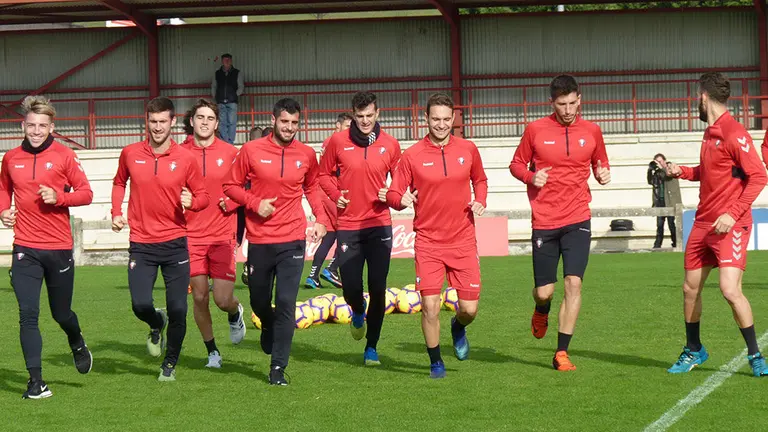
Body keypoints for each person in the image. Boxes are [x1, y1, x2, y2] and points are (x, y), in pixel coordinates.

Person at [666, 72, 768, 376]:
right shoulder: (710, 133)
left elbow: (759, 176)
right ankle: (694, 350)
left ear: (703, 97)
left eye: (697, 97)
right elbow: (711, 171)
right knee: (689, 289)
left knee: (729, 290)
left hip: (730, 225)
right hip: (703, 223)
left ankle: (755, 355)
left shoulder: (734, 132)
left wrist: (732, 213)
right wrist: (681, 171)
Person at [223, 98, 329, 385]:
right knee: (259, 302)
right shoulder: (251, 150)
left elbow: (312, 187)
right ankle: (267, 324)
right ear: (274, 120)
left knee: (285, 303)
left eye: (295, 123)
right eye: (285, 122)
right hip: (260, 241)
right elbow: (230, 186)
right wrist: (255, 203)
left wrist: (320, 218)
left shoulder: (306, 154)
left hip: (293, 240)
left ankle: (278, 369)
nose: (290, 128)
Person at [509, 75, 611, 371]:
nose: (568, 110)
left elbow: (600, 163)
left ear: (580, 99)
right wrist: (531, 176)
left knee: (573, 284)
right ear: (551, 103)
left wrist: (603, 174)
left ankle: (561, 352)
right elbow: (516, 163)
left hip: (578, 217)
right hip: (545, 220)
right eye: (561, 104)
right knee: (545, 291)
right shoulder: (535, 130)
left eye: (572, 103)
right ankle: (541, 309)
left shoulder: (592, 131)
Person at [385, 93, 488, 378]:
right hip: (428, 241)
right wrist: (400, 200)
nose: (441, 125)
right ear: (426, 119)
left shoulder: (468, 148)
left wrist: (481, 199)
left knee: (469, 309)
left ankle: (458, 327)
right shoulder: (413, 155)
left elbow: (480, 179)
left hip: (463, 239)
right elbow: (394, 192)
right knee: (429, 306)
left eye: (446, 119)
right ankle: (435, 362)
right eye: (435, 119)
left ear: (453, 118)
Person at [0, 96, 94, 399]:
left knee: (61, 313)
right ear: (23, 126)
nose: (36, 131)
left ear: (51, 126)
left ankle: (76, 340)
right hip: (25, 248)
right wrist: (3, 210)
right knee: (27, 314)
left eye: (42, 126)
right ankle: (36, 382)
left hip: (58, 249)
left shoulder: (65, 156)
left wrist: (59, 198)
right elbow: (3, 188)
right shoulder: (11, 157)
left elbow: (86, 193)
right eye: (31, 125)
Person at [111, 96, 210, 382]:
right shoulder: (130, 153)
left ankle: (169, 364)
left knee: (179, 309)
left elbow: (203, 196)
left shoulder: (186, 158)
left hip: (175, 243)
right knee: (140, 305)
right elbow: (119, 182)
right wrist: (116, 211)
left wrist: (193, 202)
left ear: (172, 122)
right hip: (141, 244)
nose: (157, 127)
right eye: (152, 122)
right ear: (147, 121)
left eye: (162, 122)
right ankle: (157, 322)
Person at [319, 92, 401, 366]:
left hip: (379, 226)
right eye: (360, 116)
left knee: (378, 288)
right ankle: (357, 309)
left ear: (378, 114)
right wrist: (334, 193)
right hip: (349, 227)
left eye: (370, 115)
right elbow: (323, 175)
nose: (365, 121)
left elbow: (400, 183)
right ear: (353, 115)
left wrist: (391, 192)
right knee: (351, 287)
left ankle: (371, 347)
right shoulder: (337, 142)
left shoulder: (390, 144)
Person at [180, 99, 246, 369]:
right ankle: (212, 352)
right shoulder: (178, 153)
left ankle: (235, 312)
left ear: (218, 124)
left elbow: (245, 189)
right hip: (190, 236)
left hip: (222, 235)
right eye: (200, 117)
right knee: (198, 296)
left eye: (210, 118)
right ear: (191, 121)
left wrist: (233, 202)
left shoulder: (232, 153)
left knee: (221, 299)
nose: (205, 122)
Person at [304, 112, 353, 289]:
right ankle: (332, 268)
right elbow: (339, 171)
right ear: (337, 126)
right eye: (348, 126)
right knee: (352, 232)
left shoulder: (328, 142)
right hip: (331, 192)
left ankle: (313, 276)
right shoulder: (337, 142)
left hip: (324, 191)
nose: (350, 130)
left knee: (330, 235)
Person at [647, 153, 681, 248]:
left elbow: (665, 176)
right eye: (656, 161)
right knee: (659, 225)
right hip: (660, 202)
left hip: (670, 201)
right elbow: (650, 181)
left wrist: (658, 168)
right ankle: (657, 245)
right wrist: (650, 170)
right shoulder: (657, 172)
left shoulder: (670, 169)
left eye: (660, 161)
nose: (658, 163)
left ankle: (676, 243)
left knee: (671, 224)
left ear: (664, 161)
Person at [211, 53, 244, 144]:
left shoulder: (237, 72)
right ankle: (225, 142)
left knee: (232, 122)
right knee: (222, 123)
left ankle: (230, 142)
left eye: (228, 60)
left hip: (232, 102)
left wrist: (235, 95)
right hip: (220, 101)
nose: (227, 62)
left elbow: (241, 86)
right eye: (225, 60)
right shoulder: (217, 73)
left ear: (231, 61)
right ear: (222, 61)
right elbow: (214, 85)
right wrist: (215, 96)